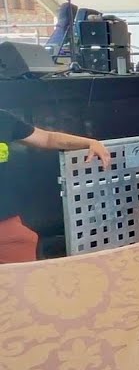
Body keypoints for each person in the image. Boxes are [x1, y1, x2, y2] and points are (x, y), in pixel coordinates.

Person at [0, 109, 111, 263]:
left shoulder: (4, 119)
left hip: (5, 222)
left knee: (25, 273)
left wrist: (90, 143)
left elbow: (48, 138)